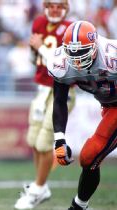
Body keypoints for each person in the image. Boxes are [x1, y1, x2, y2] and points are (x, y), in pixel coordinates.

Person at [48, 20, 117, 210]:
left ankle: (78, 207)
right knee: (88, 158)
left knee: (89, 154)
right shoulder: (61, 63)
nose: (77, 59)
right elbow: (60, 100)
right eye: (73, 52)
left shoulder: (112, 55)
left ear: (95, 46)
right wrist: (59, 139)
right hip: (109, 107)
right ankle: (80, 205)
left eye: (82, 52)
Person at [14, 0, 76, 209]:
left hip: (62, 91)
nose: (55, 9)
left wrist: (40, 47)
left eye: (59, 6)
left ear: (65, 8)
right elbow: (36, 59)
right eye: (51, 5)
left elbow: (64, 63)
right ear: (45, 7)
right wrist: (35, 50)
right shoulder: (39, 23)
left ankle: (38, 189)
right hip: (42, 89)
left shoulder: (71, 29)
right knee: (33, 140)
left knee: (44, 142)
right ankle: (41, 186)